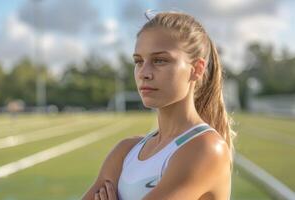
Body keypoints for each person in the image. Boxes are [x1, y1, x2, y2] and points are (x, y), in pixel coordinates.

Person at [81, 11, 237, 200]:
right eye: (138, 61)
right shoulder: (125, 151)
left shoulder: (207, 149)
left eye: (160, 60)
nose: (144, 73)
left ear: (197, 69)